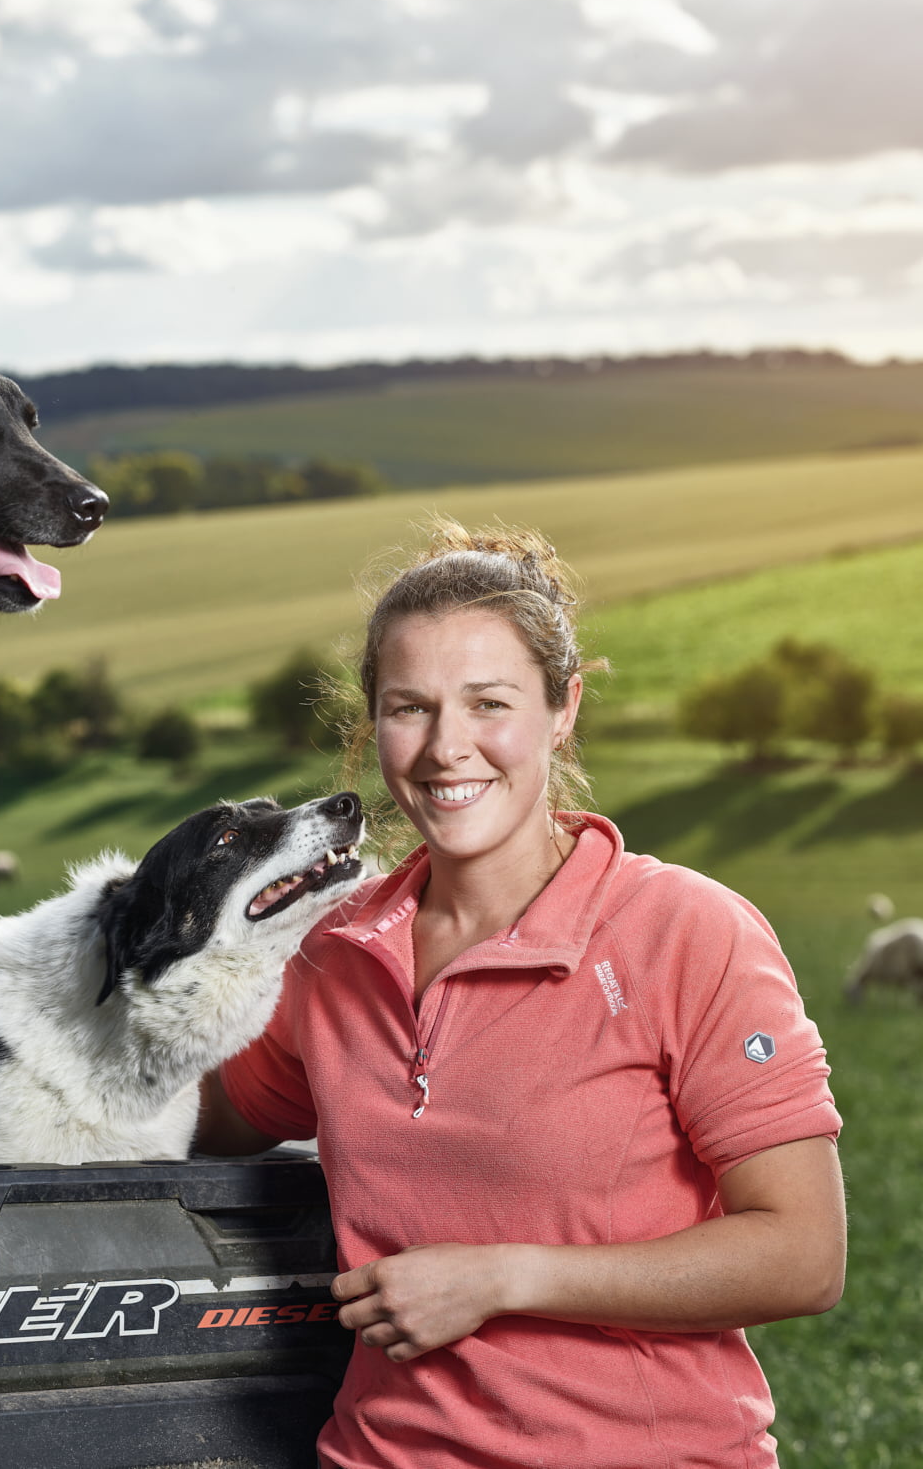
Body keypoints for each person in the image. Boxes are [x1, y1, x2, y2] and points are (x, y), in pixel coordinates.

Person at [196, 519, 846, 1469]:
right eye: (408, 708)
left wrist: (503, 1277)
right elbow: (194, 1115)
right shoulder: (331, 956)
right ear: (371, 723)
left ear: (562, 708)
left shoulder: (684, 930)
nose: (444, 748)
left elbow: (801, 1254)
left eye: (488, 703)